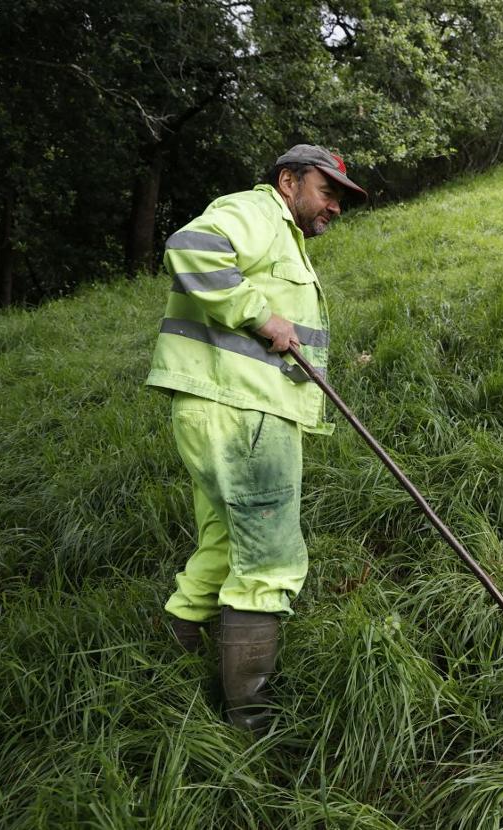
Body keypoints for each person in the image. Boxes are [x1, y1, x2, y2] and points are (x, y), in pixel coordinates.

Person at [145, 144, 366, 732]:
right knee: (268, 554)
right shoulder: (258, 212)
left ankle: (175, 648)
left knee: (224, 538)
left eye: (341, 198)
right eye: (328, 191)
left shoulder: (279, 231)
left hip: (217, 404)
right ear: (288, 181)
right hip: (244, 409)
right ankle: (251, 716)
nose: (335, 206)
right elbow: (189, 246)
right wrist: (258, 314)